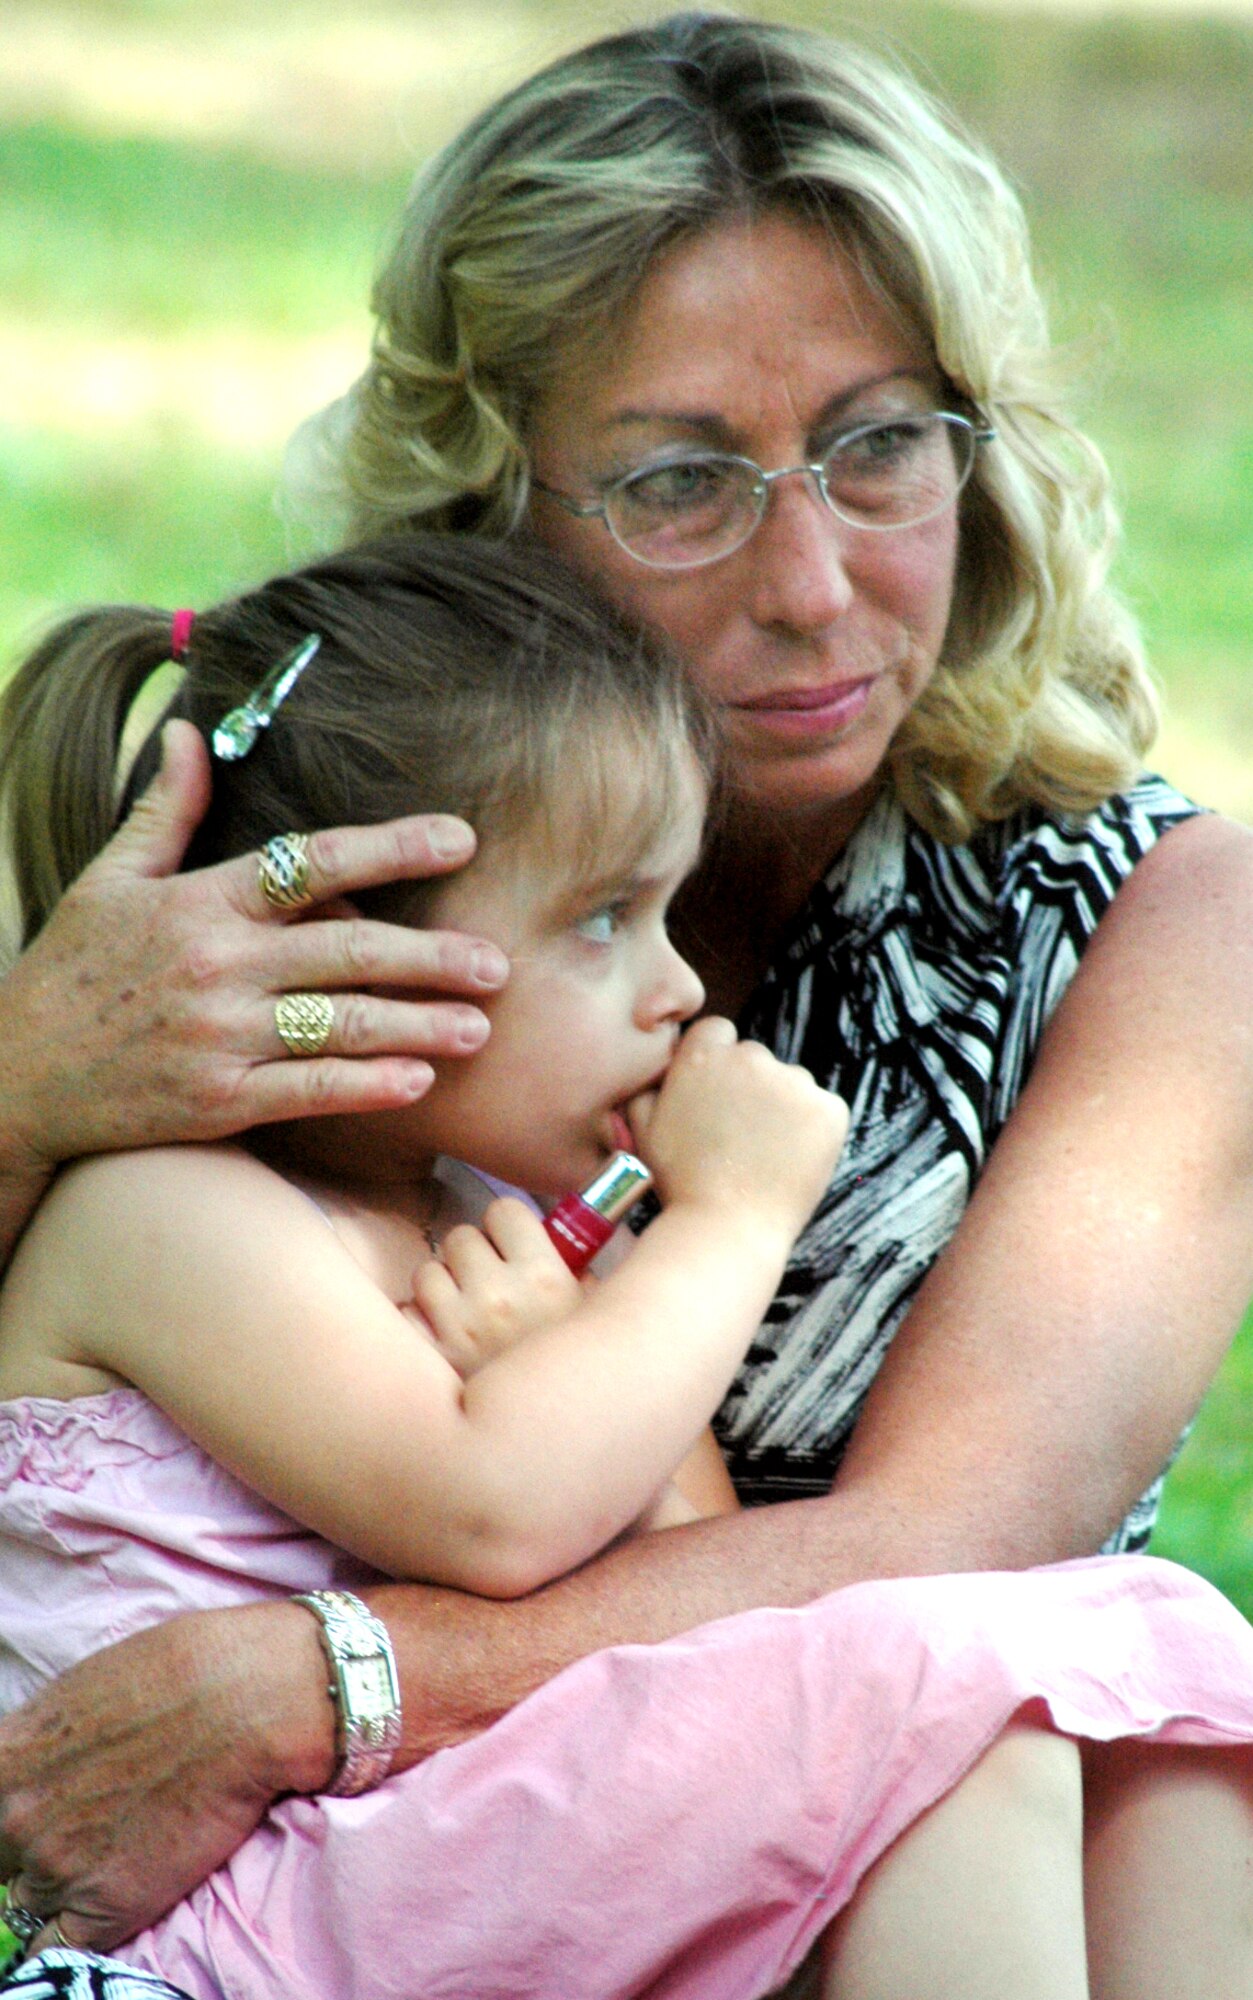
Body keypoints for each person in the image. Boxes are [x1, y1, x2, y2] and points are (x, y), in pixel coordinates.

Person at [0, 7, 1251, 1992]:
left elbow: (949, 1542)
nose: (814, 585)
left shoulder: (1171, 923)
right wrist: (23, 1092)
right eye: (681, 482)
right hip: (489, 1873)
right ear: (492, 501)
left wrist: (326, 1678)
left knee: (1139, 1730)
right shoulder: (355, 879)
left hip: (857, 1790)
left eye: (880, 445)